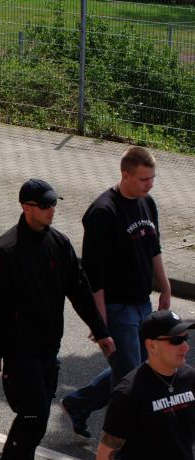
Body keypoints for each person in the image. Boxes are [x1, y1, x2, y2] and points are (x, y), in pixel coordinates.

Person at [0, 179, 115, 460]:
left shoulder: (59, 243)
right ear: (27, 208)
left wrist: (101, 331)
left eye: (54, 203)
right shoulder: (5, 250)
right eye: (46, 205)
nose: (52, 209)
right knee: (34, 415)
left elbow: (80, 292)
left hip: (48, 348)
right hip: (19, 350)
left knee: (37, 416)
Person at [62, 146, 171, 438]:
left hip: (142, 303)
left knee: (135, 369)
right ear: (125, 175)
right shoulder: (103, 212)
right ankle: (122, 446)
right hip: (117, 308)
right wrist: (100, 324)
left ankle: (78, 403)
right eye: (144, 179)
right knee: (133, 381)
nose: (150, 185)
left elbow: (154, 249)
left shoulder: (147, 203)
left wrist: (166, 287)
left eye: (152, 178)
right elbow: (93, 276)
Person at [96, 310, 195, 460]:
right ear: (151, 346)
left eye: (186, 339)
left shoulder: (189, 379)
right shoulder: (129, 393)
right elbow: (106, 455)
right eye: (176, 340)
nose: (186, 347)